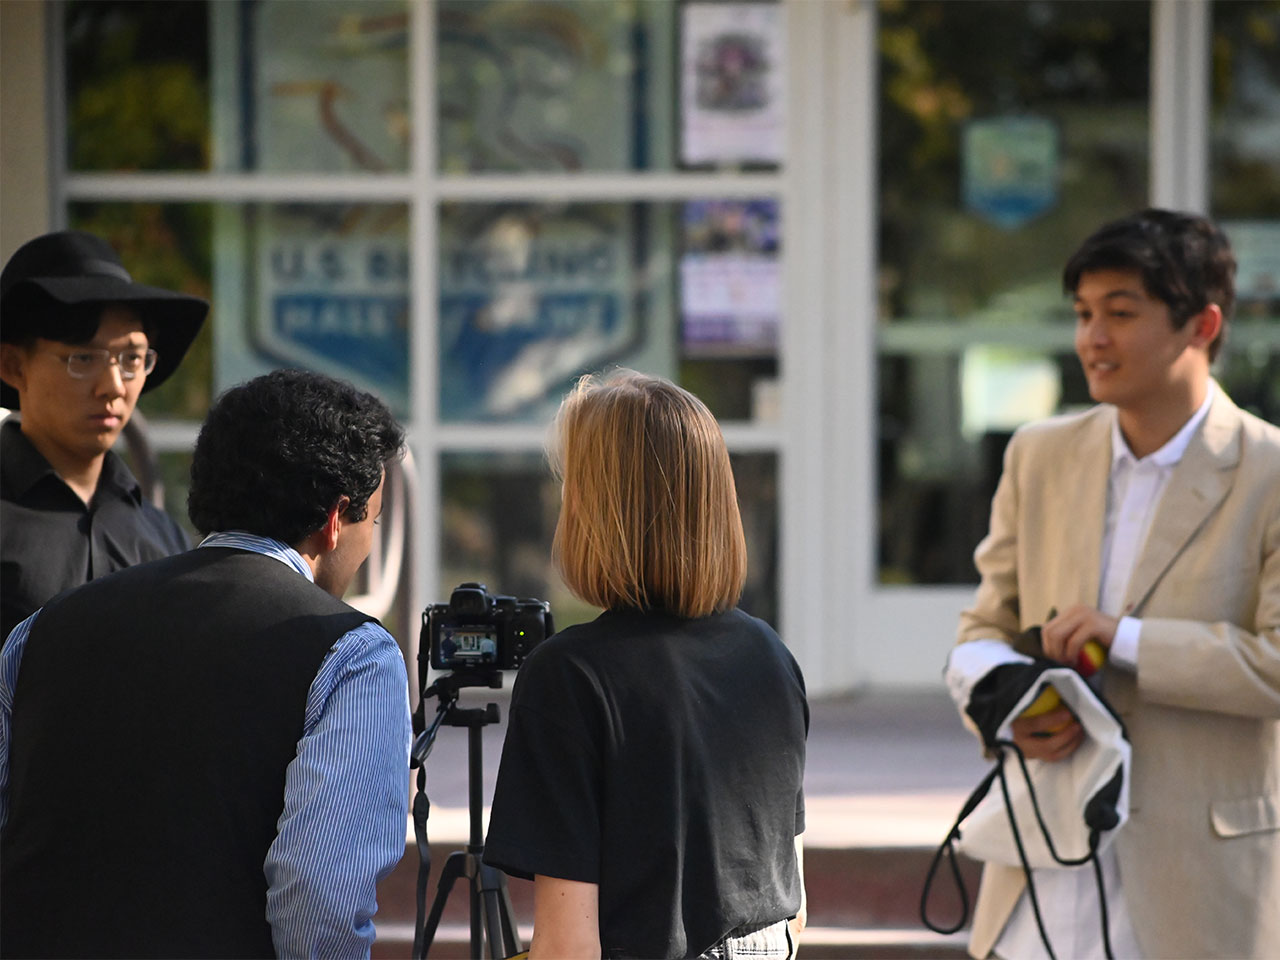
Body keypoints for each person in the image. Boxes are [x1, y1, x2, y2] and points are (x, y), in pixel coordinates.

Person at [945, 209, 1280, 959]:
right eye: (1083, 314)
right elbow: (983, 631)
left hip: (1200, 888)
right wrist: (1002, 712)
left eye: (1120, 314)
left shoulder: (1270, 472)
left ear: (1203, 325)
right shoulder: (1039, 454)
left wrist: (1121, 640)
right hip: (1042, 872)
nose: (1092, 338)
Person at [0, 369, 411, 958]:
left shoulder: (40, 631)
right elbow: (321, 894)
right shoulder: (352, 654)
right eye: (370, 520)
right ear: (334, 519)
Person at [483, 369, 809, 960]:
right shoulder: (771, 655)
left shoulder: (570, 676)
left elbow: (567, 945)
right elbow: (791, 896)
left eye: (571, 488)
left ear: (595, 511)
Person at [0, 229, 209, 642]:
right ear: (13, 366)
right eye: (83, 358)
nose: (113, 385)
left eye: (132, 358)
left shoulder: (163, 537)